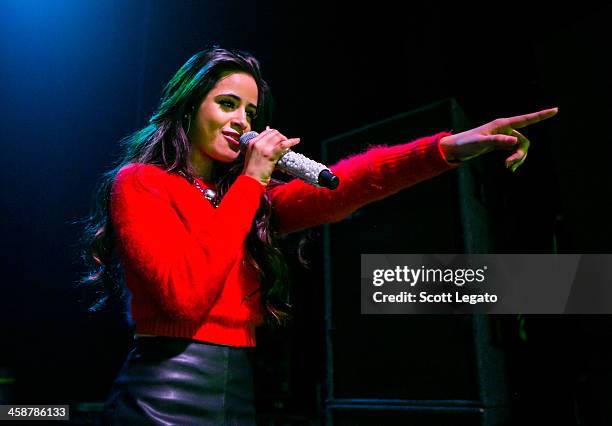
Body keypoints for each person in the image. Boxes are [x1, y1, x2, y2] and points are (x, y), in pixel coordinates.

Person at [79, 47, 557, 425]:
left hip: (238, 389)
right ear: (187, 108)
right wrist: (252, 179)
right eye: (227, 104)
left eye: (250, 111)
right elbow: (184, 297)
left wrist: (447, 148)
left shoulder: (250, 204)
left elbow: (348, 185)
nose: (242, 121)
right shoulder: (142, 183)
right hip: (163, 390)